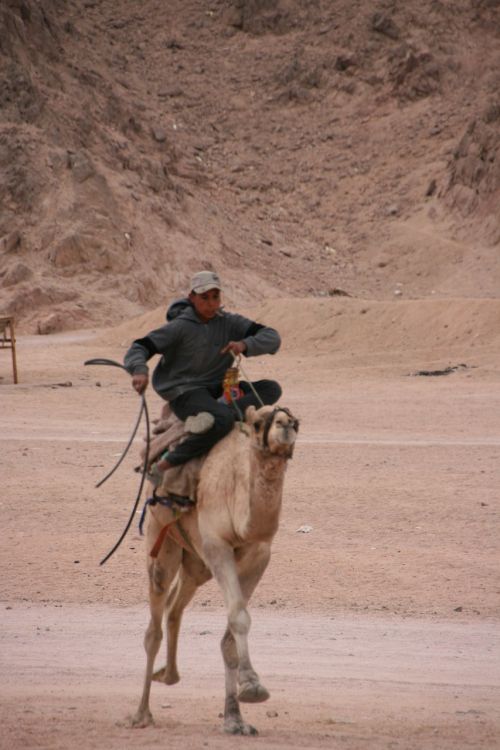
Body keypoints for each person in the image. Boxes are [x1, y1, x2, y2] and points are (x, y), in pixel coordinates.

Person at [124, 270, 282, 479]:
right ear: (192, 298)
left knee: (271, 388)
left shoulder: (230, 322)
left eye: (215, 297)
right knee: (223, 420)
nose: (211, 303)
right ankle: (165, 464)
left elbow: (272, 337)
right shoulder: (179, 326)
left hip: (218, 387)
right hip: (185, 391)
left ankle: (217, 412)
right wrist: (139, 370)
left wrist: (245, 344)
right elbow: (140, 347)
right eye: (204, 297)